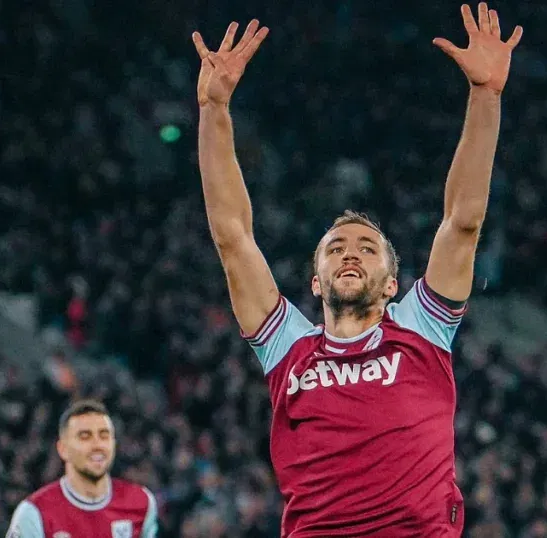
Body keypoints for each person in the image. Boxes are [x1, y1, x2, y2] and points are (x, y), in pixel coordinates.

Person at [192, 3, 522, 536]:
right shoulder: (287, 348)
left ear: (394, 284)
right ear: (316, 281)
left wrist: (485, 97)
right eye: (336, 247)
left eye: (368, 248)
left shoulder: (423, 327)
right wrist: (213, 110)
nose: (350, 252)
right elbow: (233, 236)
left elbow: (463, 221)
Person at [5, 400, 158, 538]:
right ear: (63, 449)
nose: (97, 445)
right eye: (85, 436)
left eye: (104, 436)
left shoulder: (141, 502)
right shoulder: (34, 513)